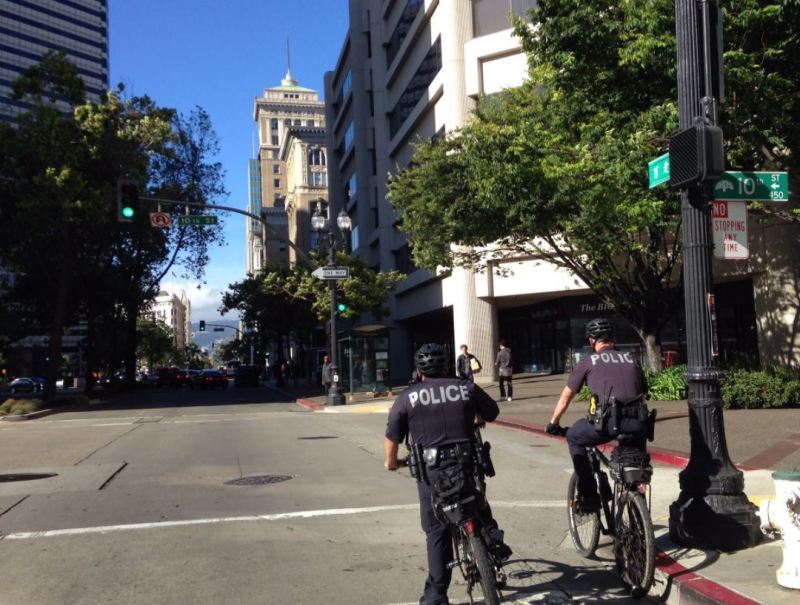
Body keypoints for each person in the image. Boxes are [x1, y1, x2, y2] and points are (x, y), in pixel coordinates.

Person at [384, 343, 511, 605]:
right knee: (477, 505)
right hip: (466, 465)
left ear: (419, 372)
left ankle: (436, 596)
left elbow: (392, 437)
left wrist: (391, 463)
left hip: (432, 474)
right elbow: (492, 413)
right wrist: (472, 414)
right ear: (447, 368)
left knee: (437, 531)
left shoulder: (407, 397)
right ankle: (493, 548)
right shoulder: (465, 387)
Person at [546, 318, 648, 512]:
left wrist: (553, 423)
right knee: (636, 468)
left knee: (574, 437)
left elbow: (566, 397)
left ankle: (589, 495)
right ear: (613, 339)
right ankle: (639, 517)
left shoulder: (588, 361)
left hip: (609, 423)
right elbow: (643, 396)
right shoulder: (632, 359)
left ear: (592, 340)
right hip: (638, 423)